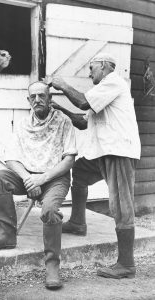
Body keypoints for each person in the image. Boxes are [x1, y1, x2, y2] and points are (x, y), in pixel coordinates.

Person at [0, 81, 78, 289]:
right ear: (28, 100)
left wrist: (42, 178)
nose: (38, 100)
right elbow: (11, 159)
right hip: (29, 176)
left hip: (54, 178)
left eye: (42, 96)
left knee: (49, 210)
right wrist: (27, 178)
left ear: (50, 99)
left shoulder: (64, 122)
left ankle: (52, 265)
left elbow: (69, 160)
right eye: (33, 97)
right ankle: (7, 235)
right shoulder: (23, 123)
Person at [51, 52, 141, 279]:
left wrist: (62, 85)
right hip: (103, 152)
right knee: (79, 172)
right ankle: (78, 223)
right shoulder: (102, 92)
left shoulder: (113, 83)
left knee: (121, 205)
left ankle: (126, 264)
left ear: (103, 66)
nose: (89, 72)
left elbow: (83, 101)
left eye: (92, 67)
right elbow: (83, 122)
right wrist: (58, 108)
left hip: (119, 151)